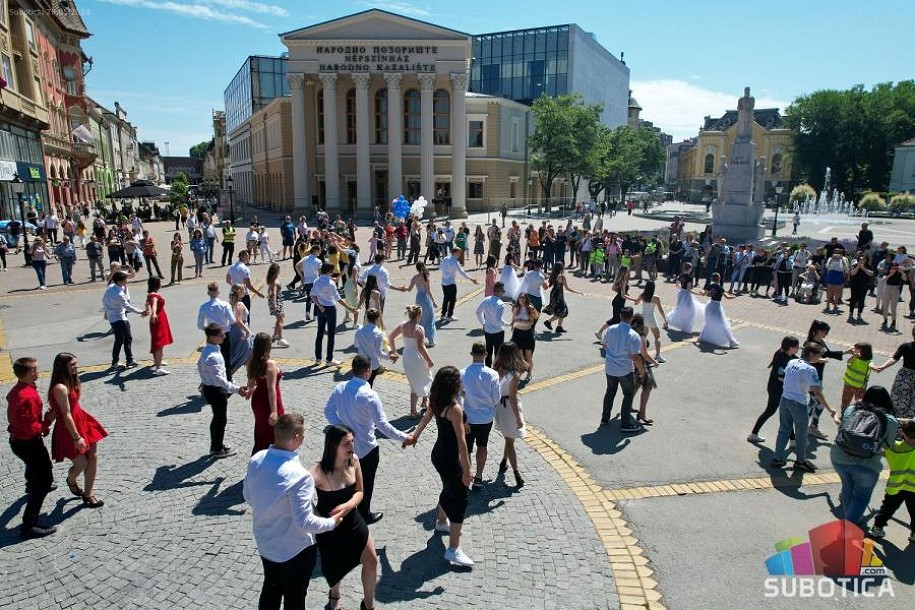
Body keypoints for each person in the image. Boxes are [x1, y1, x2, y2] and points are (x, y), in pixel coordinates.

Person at [243, 413, 342, 610]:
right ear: (296, 438)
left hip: (265, 541)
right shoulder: (300, 476)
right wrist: (332, 523)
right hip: (294, 550)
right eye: (303, 435)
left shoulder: (256, 459)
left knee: (271, 588)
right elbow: (305, 522)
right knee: (295, 597)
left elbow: (248, 495)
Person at [324, 356, 412, 525]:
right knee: (366, 483)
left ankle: (347, 512)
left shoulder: (340, 388)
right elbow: (383, 426)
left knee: (347, 480)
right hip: (366, 448)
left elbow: (328, 411)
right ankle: (364, 514)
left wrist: (343, 429)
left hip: (345, 447)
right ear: (368, 371)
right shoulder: (370, 395)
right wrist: (404, 437)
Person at [403, 366, 475, 567]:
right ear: (454, 385)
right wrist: (468, 470)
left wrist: (414, 437)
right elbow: (461, 441)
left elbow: (425, 419)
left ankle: (441, 522)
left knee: (448, 487)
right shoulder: (455, 409)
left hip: (438, 454)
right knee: (460, 499)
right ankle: (453, 549)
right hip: (450, 457)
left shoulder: (436, 401)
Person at [310, 425, 378, 610]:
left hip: (353, 520)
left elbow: (360, 492)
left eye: (352, 442)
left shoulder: (354, 461)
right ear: (333, 446)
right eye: (346, 443)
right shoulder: (317, 472)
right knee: (335, 568)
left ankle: (368, 605)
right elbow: (300, 498)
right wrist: (316, 517)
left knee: (372, 560)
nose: (352, 446)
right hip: (330, 527)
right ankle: (335, 594)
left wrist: (348, 506)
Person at [830, 386, 899, 526]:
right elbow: (888, 445)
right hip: (867, 465)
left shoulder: (852, 410)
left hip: (839, 457)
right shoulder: (890, 420)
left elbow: (843, 430)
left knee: (848, 486)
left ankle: (850, 518)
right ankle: (849, 527)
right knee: (861, 496)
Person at [48, 352, 107, 508]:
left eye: (75, 363)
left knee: (93, 457)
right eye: (72, 365)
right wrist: (76, 437)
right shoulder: (60, 387)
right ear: (63, 367)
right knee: (81, 463)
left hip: (82, 420)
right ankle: (71, 479)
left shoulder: (72, 379)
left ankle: (89, 494)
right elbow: (66, 414)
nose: (76, 367)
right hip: (69, 428)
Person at [7, 357, 57, 538]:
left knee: (34, 466)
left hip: (17, 442)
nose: (38, 371)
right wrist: (47, 423)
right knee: (44, 481)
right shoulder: (27, 397)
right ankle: (29, 526)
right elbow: (30, 429)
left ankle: (30, 485)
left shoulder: (17, 390)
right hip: (29, 443)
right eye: (35, 369)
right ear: (29, 373)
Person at [771, 342, 840, 473]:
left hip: (785, 400)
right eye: (818, 355)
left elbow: (787, 377)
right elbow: (817, 391)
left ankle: (777, 458)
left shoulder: (792, 362)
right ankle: (800, 461)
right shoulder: (810, 370)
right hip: (798, 404)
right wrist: (830, 409)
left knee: (784, 430)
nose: (819, 357)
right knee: (801, 434)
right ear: (812, 354)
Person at [198, 323, 251, 459]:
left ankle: (217, 445)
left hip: (210, 388)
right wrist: (237, 389)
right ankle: (216, 449)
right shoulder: (213, 356)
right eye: (221, 335)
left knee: (218, 418)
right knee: (220, 419)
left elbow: (200, 366)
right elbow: (219, 380)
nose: (224, 337)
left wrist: (204, 380)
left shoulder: (209, 350)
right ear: (212, 337)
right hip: (216, 391)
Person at [460, 342, 501, 490]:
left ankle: (467, 475)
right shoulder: (492, 374)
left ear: (471, 354)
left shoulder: (463, 373)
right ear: (485, 355)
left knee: (467, 449)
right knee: (482, 446)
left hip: (468, 419)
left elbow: (458, 396)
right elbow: (496, 399)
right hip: (485, 418)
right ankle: (478, 477)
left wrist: (468, 395)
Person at [599, 307, 645, 433]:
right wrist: (642, 372)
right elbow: (636, 357)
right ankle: (625, 423)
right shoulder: (633, 335)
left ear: (620, 316)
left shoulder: (611, 329)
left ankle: (604, 419)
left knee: (610, 393)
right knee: (628, 394)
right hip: (625, 370)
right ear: (631, 319)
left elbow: (604, 344)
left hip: (610, 368)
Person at [869, 419, 915, 540]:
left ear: (902, 433)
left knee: (887, 508)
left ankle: (877, 528)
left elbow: (880, 448)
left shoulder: (893, 448)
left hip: (895, 487)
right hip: (914, 488)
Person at [748, 337, 800, 443]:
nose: (799, 349)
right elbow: (780, 377)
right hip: (778, 390)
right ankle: (793, 441)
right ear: (791, 348)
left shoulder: (785, 353)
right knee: (788, 414)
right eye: (797, 347)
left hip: (774, 388)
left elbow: (798, 360)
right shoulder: (782, 359)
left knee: (770, 411)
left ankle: (753, 434)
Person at [388, 305, 435, 418]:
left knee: (414, 382)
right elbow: (421, 347)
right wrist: (429, 360)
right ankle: (419, 406)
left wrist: (394, 351)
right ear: (418, 315)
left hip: (407, 356)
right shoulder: (419, 329)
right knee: (426, 378)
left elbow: (391, 338)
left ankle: (418, 406)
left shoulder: (403, 325)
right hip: (418, 357)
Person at [492, 341, 527, 488]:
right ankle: (516, 473)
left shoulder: (495, 369)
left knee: (508, 438)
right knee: (510, 440)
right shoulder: (515, 375)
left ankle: (503, 462)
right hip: (510, 409)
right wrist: (518, 418)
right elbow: (512, 398)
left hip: (499, 407)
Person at [246, 333, 285, 455]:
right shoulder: (270, 365)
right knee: (275, 433)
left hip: (257, 400)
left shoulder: (253, 362)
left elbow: (251, 382)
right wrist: (274, 411)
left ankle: (257, 457)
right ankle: (272, 459)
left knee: (261, 431)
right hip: (270, 402)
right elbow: (271, 388)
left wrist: (249, 391)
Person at [312, 262, 357, 366]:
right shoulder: (331, 283)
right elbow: (338, 299)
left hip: (321, 309)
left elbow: (312, 295)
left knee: (319, 334)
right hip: (330, 309)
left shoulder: (316, 280)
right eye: (332, 270)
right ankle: (329, 359)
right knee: (331, 335)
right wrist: (350, 308)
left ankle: (318, 358)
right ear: (329, 271)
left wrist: (319, 306)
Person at [103, 271, 148, 370]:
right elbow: (128, 307)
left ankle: (121, 361)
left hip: (113, 318)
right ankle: (127, 361)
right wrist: (141, 312)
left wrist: (107, 311)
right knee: (126, 339)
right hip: (120, 319)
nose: (126, 281)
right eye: (125, 280)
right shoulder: (119, 294)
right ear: (122, 281)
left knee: (120, 340)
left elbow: (104, 300)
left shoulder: (111, 288)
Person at [871, 325, 915, 420]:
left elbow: (894, 358)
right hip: (906, 378)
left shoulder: (905, 346)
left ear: (913, 334)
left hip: (904, 378)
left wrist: (882, 367)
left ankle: (896, 426)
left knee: (898, 404)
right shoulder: (905, 346)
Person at [392, 262, 437, 347]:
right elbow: (428, 291)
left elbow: (409, 289)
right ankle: (431, 340)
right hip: (426, 299)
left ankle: (420, 339)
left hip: (419, 298)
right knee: (429, 318)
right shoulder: (426, 278)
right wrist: (433, 301)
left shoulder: (415, 278)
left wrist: (402, 288)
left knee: (421, 318)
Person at [354, 308, 397, 387]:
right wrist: (389, 357)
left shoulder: (359, 330)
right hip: (372, 364)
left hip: (360, 362)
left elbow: (356, 345)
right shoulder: (378, 333)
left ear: (367, 317)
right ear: (377, 318)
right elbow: (379, 352)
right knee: (369, 384)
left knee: (360, 384)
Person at [197, 282, 235, 368]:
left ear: (208, 293)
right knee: (226, 359)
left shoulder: (204, 307)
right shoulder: (225, 305)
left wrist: (208, 329)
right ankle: (228, 378)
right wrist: (226, 326)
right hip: (225, 334)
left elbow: (200, 325)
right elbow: (232, 320)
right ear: (218, 292)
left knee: (212, 359)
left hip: (212, 335)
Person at [698, 273, 739, 349]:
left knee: (709, 321)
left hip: (710, 305)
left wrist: (702, 292)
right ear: (719, 279)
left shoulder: (711, 286)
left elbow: (705, 294)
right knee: (723, 323)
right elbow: (727, 297)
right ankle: (731, 341)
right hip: (717, 306)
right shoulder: (720, 288)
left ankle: (702, 337)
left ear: (713, 279)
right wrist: (734, 296)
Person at [631, 314, 659, 425]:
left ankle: (628, 406)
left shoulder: (631, 332)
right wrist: (654, 362)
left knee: (637, 385)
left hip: (633, 362)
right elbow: (644, 354)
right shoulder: (641, 336)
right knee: (648, 386)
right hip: (641, 363)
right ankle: (642, 413)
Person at [439, 247, 478, 321]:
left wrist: (446, 272)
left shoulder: (445, 259)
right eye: (459, 253)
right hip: (451, 283)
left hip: (444, 282)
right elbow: (462, 272)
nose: (460, 254)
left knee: (446, 298)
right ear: (455, 253)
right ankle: (449, 315)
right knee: (452, 300)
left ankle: (443, 314)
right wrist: (471, 279)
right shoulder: (454, 262)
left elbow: (440, 267)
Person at [476, 282, 510, 367]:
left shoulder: (486, 300)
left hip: (488, 331)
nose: (504, 292)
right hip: (498, 331)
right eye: (503, 291)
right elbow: (499, 320)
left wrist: (483, 323)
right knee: (498, 353)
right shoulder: (500, 304)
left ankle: (487, 368)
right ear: (499, 291)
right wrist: (508, 324)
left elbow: (478, 312)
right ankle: (497, 370)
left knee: (488, 351)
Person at [542, 262, 582, 334]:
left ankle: (559, 327)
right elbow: (567, 288)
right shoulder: (562, 276)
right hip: (559, 296)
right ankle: (548, 322)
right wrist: (577, 292)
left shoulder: (553, 275)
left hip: (553, 295)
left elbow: (549, 284)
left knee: (561, 311)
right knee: (563, 311)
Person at [146, 277, 174, 375]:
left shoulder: (150, 294)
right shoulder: (154, 295)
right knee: (159, 343)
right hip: (158, 320)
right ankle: (158, 368)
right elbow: (154, 303)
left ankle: (157, 360)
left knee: (157, 341)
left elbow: (147, 303)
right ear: (158, 284)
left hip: (159, 319)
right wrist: (153, 312)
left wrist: (147, 311)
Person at [666, 263, 705, 334]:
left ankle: (669, 321)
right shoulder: (689, 277)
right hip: (687, 296)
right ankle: (686, 326)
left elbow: (676, 285)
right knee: (691, 311)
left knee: (679, 308)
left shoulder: (680, 275)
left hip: (681, 294)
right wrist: (697, 294)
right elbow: (689, 290)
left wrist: (681, 289)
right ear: (690, 269)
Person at [510, 293, 539, 381]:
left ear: (526, 300)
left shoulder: (530, 308)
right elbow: (513, 319)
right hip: (517, 334)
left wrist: (520, 321)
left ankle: (529, 374)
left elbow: (530, 322)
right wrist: (512, 325)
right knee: (518, 357)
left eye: (523, 299)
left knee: (528, 357)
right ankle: (518, 373)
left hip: (527, 335)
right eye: (520, 299)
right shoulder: (515, 308)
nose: (521, 300)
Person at [227, 250, 264, 318]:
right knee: (245, 315)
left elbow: (228, 280)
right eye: (248, 256)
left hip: (233, 293)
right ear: (244, 257)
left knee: (234, 314)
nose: (248, 258)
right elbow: (248, 285)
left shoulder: (231, 267)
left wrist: (234, 286)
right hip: (243, 294)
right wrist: (258, 293)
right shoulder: (245, 269)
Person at [228, 284, 255, 376]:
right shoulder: (240, 304)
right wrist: (247, 331)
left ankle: (250, 380)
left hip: (235, 331)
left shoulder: (232, 302)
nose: (245, 291)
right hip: (241, 333)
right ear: (239, 292)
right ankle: (226, 378)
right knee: (241, 357)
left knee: (245, 356)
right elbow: (238, 320)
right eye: (244, 290)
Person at [840, 343, 873, 411]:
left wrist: (875, 367)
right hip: (848, 383)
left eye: (856, 349)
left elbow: (871, 365)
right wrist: (853, 356)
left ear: (863, 351)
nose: (854, 350)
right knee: (845, 401)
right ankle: (844, 414)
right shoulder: (855, 357)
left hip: (859, 387)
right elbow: (848, 362)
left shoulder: (868, 361)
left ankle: (858, 416)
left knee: (860, 403)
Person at [295, 245, 323, 321]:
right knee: (317, 298)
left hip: (307, 281)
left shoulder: (305, 258)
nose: (320, 252)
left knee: (309, 297)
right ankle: (315, 316)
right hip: (315, 281)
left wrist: (301, 275)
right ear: (315, 251)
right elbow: (320, 273)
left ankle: (307, 312)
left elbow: (297, 266)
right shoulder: (318, 261)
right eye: (319, 251)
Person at [264, 263, 288, 348]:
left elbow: (269, 291)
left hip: (278, 300)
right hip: (276, 301)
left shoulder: (272, 279)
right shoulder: (274, 281)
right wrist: (274, 303)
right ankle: (281, 338)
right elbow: (273, 293)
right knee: (280, 319)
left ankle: (275, 335)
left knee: (280, 318)